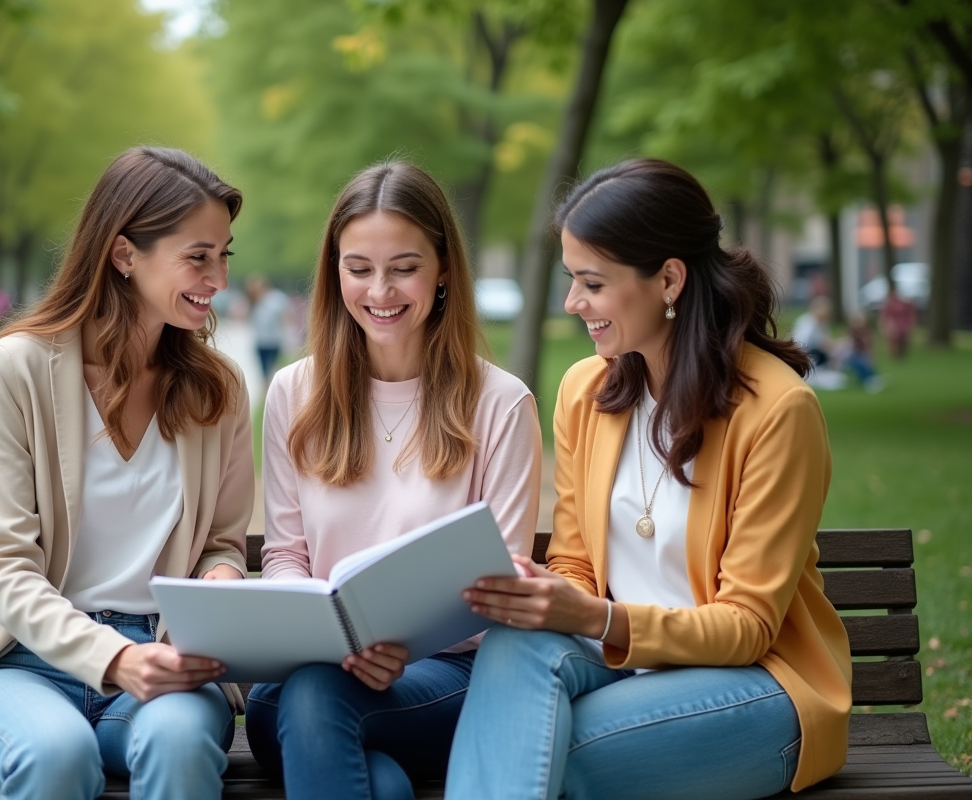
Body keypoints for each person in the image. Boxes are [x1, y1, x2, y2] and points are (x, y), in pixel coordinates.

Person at [449, 159, 851, 800]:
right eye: (570, 279)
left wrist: (600, 618)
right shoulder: (586, 390)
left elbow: (747, 625)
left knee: (536, 753)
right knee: (511, 650)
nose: (572, 303)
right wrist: (543, 596)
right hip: (622, 667)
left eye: (592, 283)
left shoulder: (777, 410)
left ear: (668, 279)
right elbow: (577, 565)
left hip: (760, 686)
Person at [0, 147, 254, 800]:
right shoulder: (17, 370)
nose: (218, 277)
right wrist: (112, 658)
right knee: (56, 754)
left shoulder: (220, 390)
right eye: (198, 255)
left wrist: (220, 578)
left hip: (164, 658)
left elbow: (221, 538)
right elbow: (2, 566)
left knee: (180, 743)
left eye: (224, 255)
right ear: (125, 254)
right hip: (19, 661)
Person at [245, 161, 543, 800]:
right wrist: (322, 634)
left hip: (446, 678)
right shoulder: (294, 393)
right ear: (335, 273)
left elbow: (507, 582)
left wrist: (397, 649)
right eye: (359, 269)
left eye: (404, 267)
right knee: (330, 717)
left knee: (331, 722)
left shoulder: (500, 404)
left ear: (443, 272)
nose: (380, 291)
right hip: (307, 674)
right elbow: (286, 555)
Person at [246, 273, 290, 385]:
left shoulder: (275, 299)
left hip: (274, 340)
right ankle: (267, 394)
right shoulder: (254, 302)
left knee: (274, 369)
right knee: (264, 372)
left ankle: (275, 389)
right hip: (261, 341)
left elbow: (284, 317)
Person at [880, 283, 916, 359]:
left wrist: (910, 323)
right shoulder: (889, 303)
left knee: (902, 337)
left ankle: (901, 352)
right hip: (893, 323)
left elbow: (909, 313)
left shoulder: (904, 302)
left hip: (902, 323)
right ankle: (894, 353)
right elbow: (885, 315)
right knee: (893, 336)